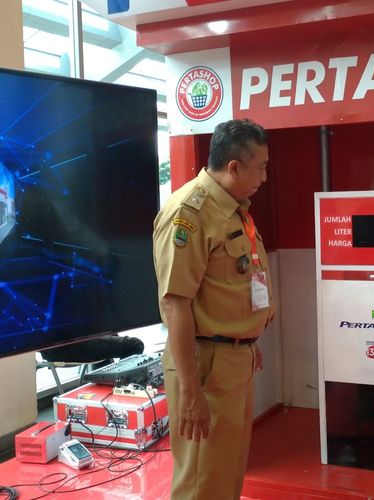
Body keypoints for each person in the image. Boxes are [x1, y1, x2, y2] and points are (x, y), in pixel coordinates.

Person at [152, 119, 274, 500]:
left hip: (234, 359)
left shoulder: (233, 210)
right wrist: (190, 392)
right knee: (201, 483)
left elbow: (232, 286)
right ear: (234, 166)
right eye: (260, 167)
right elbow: (175, 303)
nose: (265, 177)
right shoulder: (189, 213)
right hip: (205, 365)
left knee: (226, 474)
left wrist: (248, 340)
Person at [41, 335, 144, 368]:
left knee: (110, 337)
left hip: (54, 350)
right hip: (71, 345)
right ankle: (122, 383)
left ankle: (106, 382)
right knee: (135, 344)